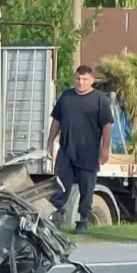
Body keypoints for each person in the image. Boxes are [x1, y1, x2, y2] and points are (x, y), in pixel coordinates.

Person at [46, 65, 114, 234]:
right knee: (60, 185)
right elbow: (56, 122)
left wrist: (104, 149)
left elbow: (107, 125)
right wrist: (49, 143)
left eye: (84, 79)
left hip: (89, 152)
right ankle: (57, 217)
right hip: (67, 150)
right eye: (78, 79)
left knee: (87, 188)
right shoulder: (66, 97)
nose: (80, 82)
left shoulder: (100, 100)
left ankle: (83, 220)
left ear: (92, 80)